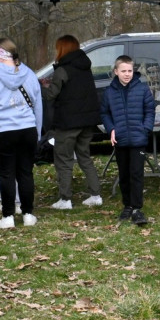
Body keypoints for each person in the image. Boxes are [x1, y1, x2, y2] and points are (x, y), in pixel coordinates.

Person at [0, 38, 42, 229]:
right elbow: (38, 106)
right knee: (25, 173)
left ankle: (8, 216)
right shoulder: (29, 74)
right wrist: (36, 131)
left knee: (6, 174)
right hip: (27, 129)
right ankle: (28, 214)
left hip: (2, 132)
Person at [41, 35, 103, 210]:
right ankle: (95, 195)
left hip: (68, 123)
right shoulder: (85, 66)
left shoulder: (63, 69)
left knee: (63, 159)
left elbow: (51, 95)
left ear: (62, 49)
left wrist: (38, 87)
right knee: (85, 157)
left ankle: (65, 199)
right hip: (87, 121)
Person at [101, 55, 155, 225]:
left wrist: (145, 128)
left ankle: (137, 208)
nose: (127, 74)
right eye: (123, 71)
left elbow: (150, 110)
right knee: (124, 174)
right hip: (121, 140)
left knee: (136, 174)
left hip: (138, 139)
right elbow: (105, 113)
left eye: (130, 70)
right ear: (116, 72)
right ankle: (127, 206)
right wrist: (111, 129)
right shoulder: (109, 92)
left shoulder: (142, 89)